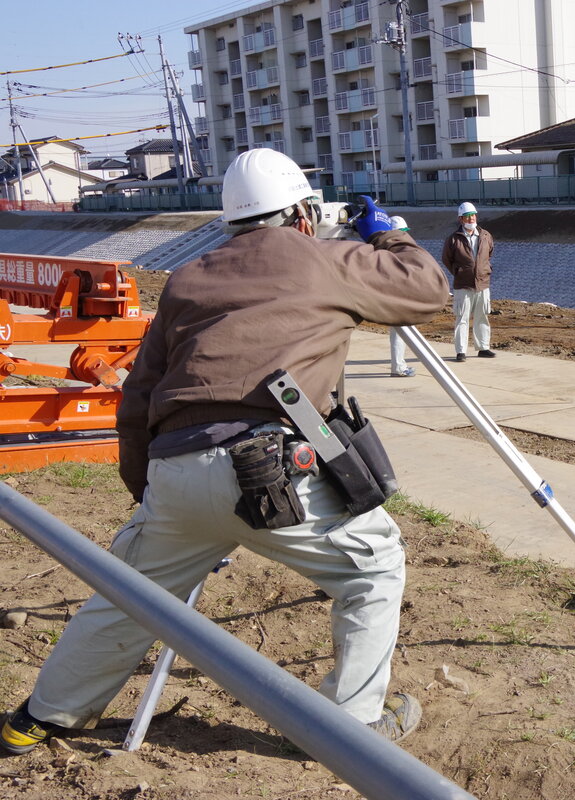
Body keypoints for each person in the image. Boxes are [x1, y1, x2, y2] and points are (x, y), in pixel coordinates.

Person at [0, 149, 449, 755]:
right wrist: (388, 235)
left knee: (129, 594)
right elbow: (427, 290)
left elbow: (137, 398)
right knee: (372, 569)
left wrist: (152, 496)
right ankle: (352, 729)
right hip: (270, 470)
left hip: (175, 467)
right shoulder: (326, 260)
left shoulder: (189, 277)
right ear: (303, 214)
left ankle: (41, 719)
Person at [441, 201, 495, 362]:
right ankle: (461, 351)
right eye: (467, 216)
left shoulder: (486, 236)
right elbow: (446, 259)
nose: (471, 218)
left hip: (482, 284)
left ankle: (483, 347)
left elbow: (489, 254)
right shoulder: (453, 239)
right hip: (463, 285)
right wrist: (459, 272)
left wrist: (482, 270)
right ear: (461, 219)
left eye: (472, 215)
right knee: (461, 318)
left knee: (482, 316)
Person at [387, 215, 417, 377]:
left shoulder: (395, 249)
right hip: (397, 297)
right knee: (400, 332)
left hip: (401, 296)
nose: (405, 235)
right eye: (402, 231)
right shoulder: (392, 251)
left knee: (400, 333)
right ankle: (398, 367)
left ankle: (399, 365)